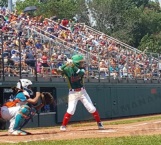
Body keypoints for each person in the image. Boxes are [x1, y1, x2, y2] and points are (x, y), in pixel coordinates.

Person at [58, 54, 104, 131]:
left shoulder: (81, 69)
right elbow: (58, 71)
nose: (82, 63)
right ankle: (63, 126)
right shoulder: (68, 69)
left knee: (91, 108)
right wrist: (66, 64)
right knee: (71, 110)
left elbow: (80, 73)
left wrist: (72, 65)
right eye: (80, 62)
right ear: (76, 62)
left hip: (82, 92)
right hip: (73, 93)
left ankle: (99, 123)